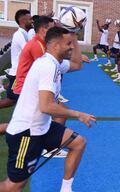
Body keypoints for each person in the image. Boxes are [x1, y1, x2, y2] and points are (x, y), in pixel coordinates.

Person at [0, 26, 96, 192]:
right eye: (68, 44)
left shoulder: (55, 62)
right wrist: (78, 114)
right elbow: (47, 106)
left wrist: (74, 33)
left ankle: (66, 189)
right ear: (56, 46)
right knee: (13, 186)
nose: (72, 46)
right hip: (27, 133)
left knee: (78, 143)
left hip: (42, 128)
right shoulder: (47, 66)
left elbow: (77, 64)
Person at [0, 9, 33, 109]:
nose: (32, 21)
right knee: (20, 101)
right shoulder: (20, 35)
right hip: (18, 74)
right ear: (23, 20)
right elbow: (29, 51)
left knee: (12, 100)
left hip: (19, 73)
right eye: (30, 19)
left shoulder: (25, 33)